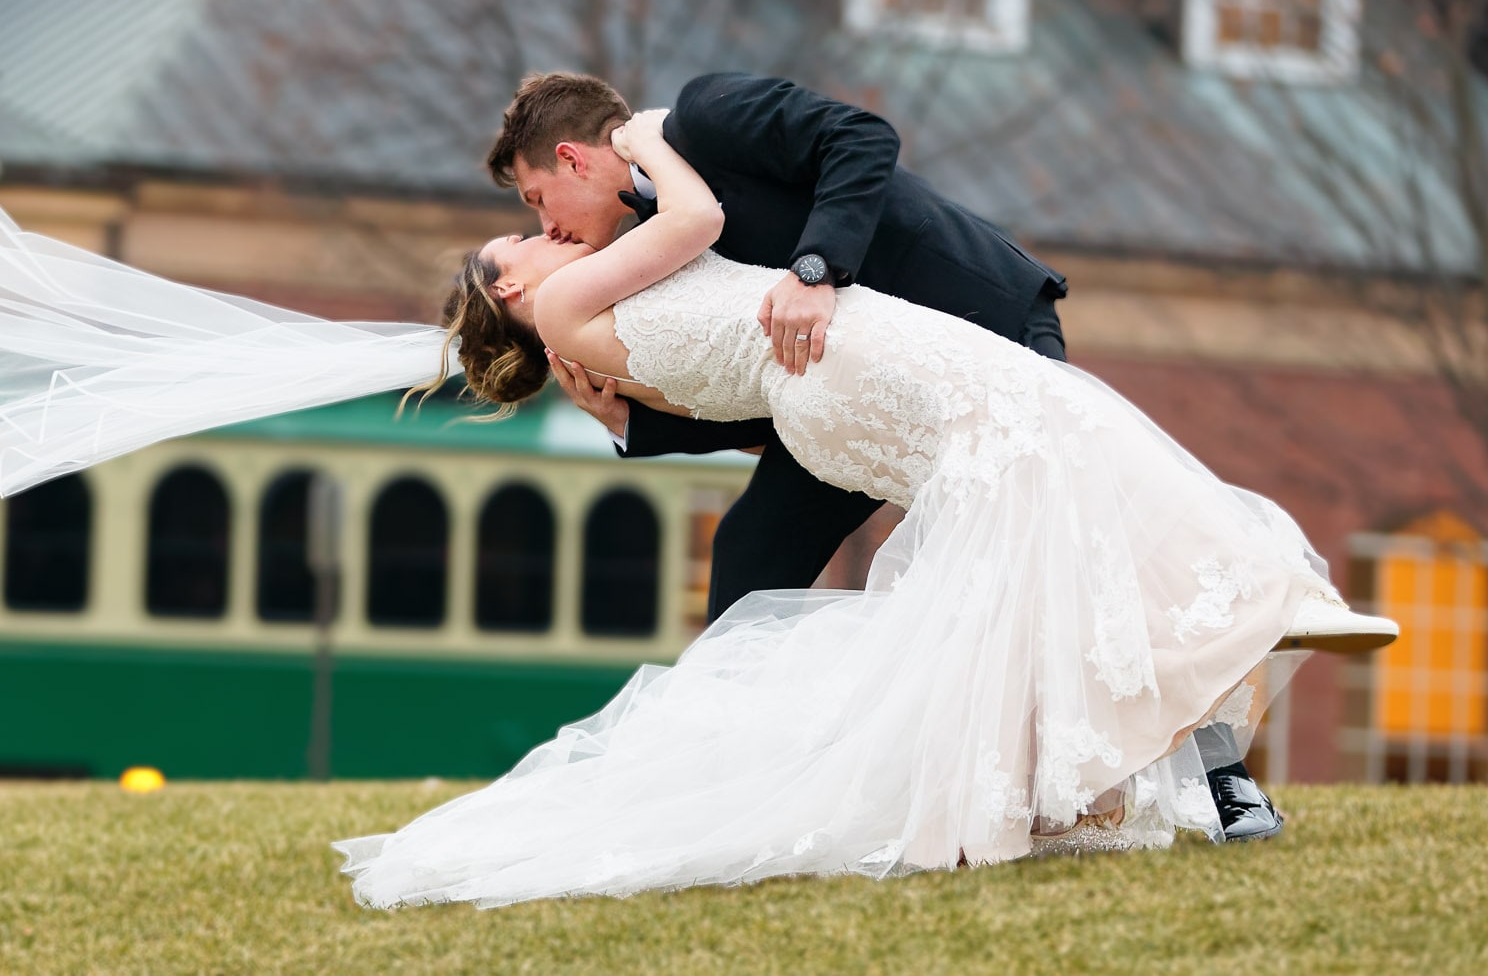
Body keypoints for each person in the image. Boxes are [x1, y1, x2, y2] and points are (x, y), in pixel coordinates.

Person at [332, 108, 1389, 907]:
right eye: (520, 234)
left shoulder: (701, 121)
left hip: (936, 310)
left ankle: (1206, 710)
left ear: (569, 159)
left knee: (1042, 491)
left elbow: (859, 141)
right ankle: (1232, 612)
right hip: (833, 372)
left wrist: (793, 261)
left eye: (529, 205)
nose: (537, 227)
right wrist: (634, 400)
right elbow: (725, 364)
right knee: (1029, 479)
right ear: (512, 293)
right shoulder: (612, 249)